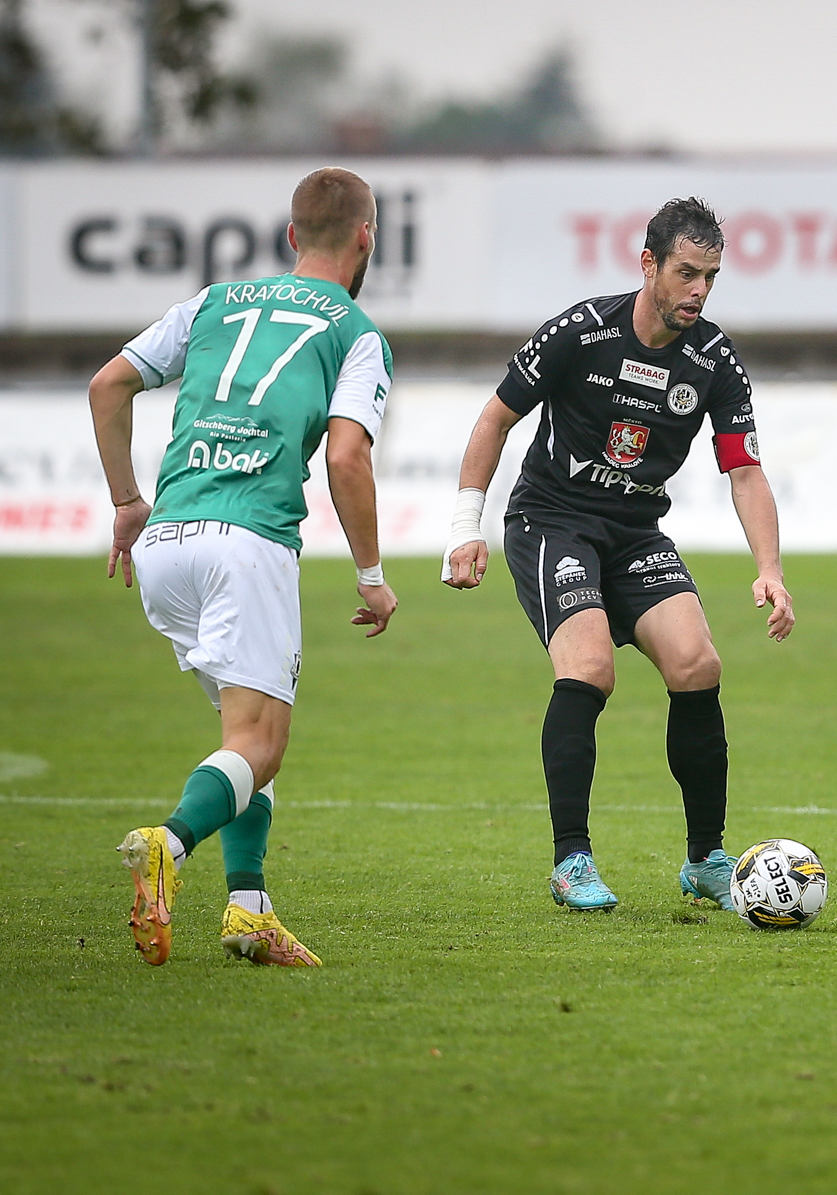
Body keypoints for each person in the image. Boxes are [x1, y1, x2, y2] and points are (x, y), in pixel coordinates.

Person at [442, 197, 792, 914]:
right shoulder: (582, 331)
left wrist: (770, 569)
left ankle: (706, 860)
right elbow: (495, 418)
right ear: (648, 265)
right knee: (590, 668)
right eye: (687, 273)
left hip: (635, 533)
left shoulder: (713, 359)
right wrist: (464, 526)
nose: (699, 290)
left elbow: (745, 471)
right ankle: (570, 860)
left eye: (711, 277)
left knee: (698, 665)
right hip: (552, 522)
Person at [89, 166, 398, 969]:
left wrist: (126, 501)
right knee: (261, 741)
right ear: (366, 236)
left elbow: (109, 384)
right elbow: (348, 456)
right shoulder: (356, 330)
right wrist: (371, 574)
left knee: (242, 739)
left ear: (292, 235)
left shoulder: (213, 302)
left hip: (165, 543)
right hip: (247, 543)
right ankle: (168, 844)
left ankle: (249, 911)